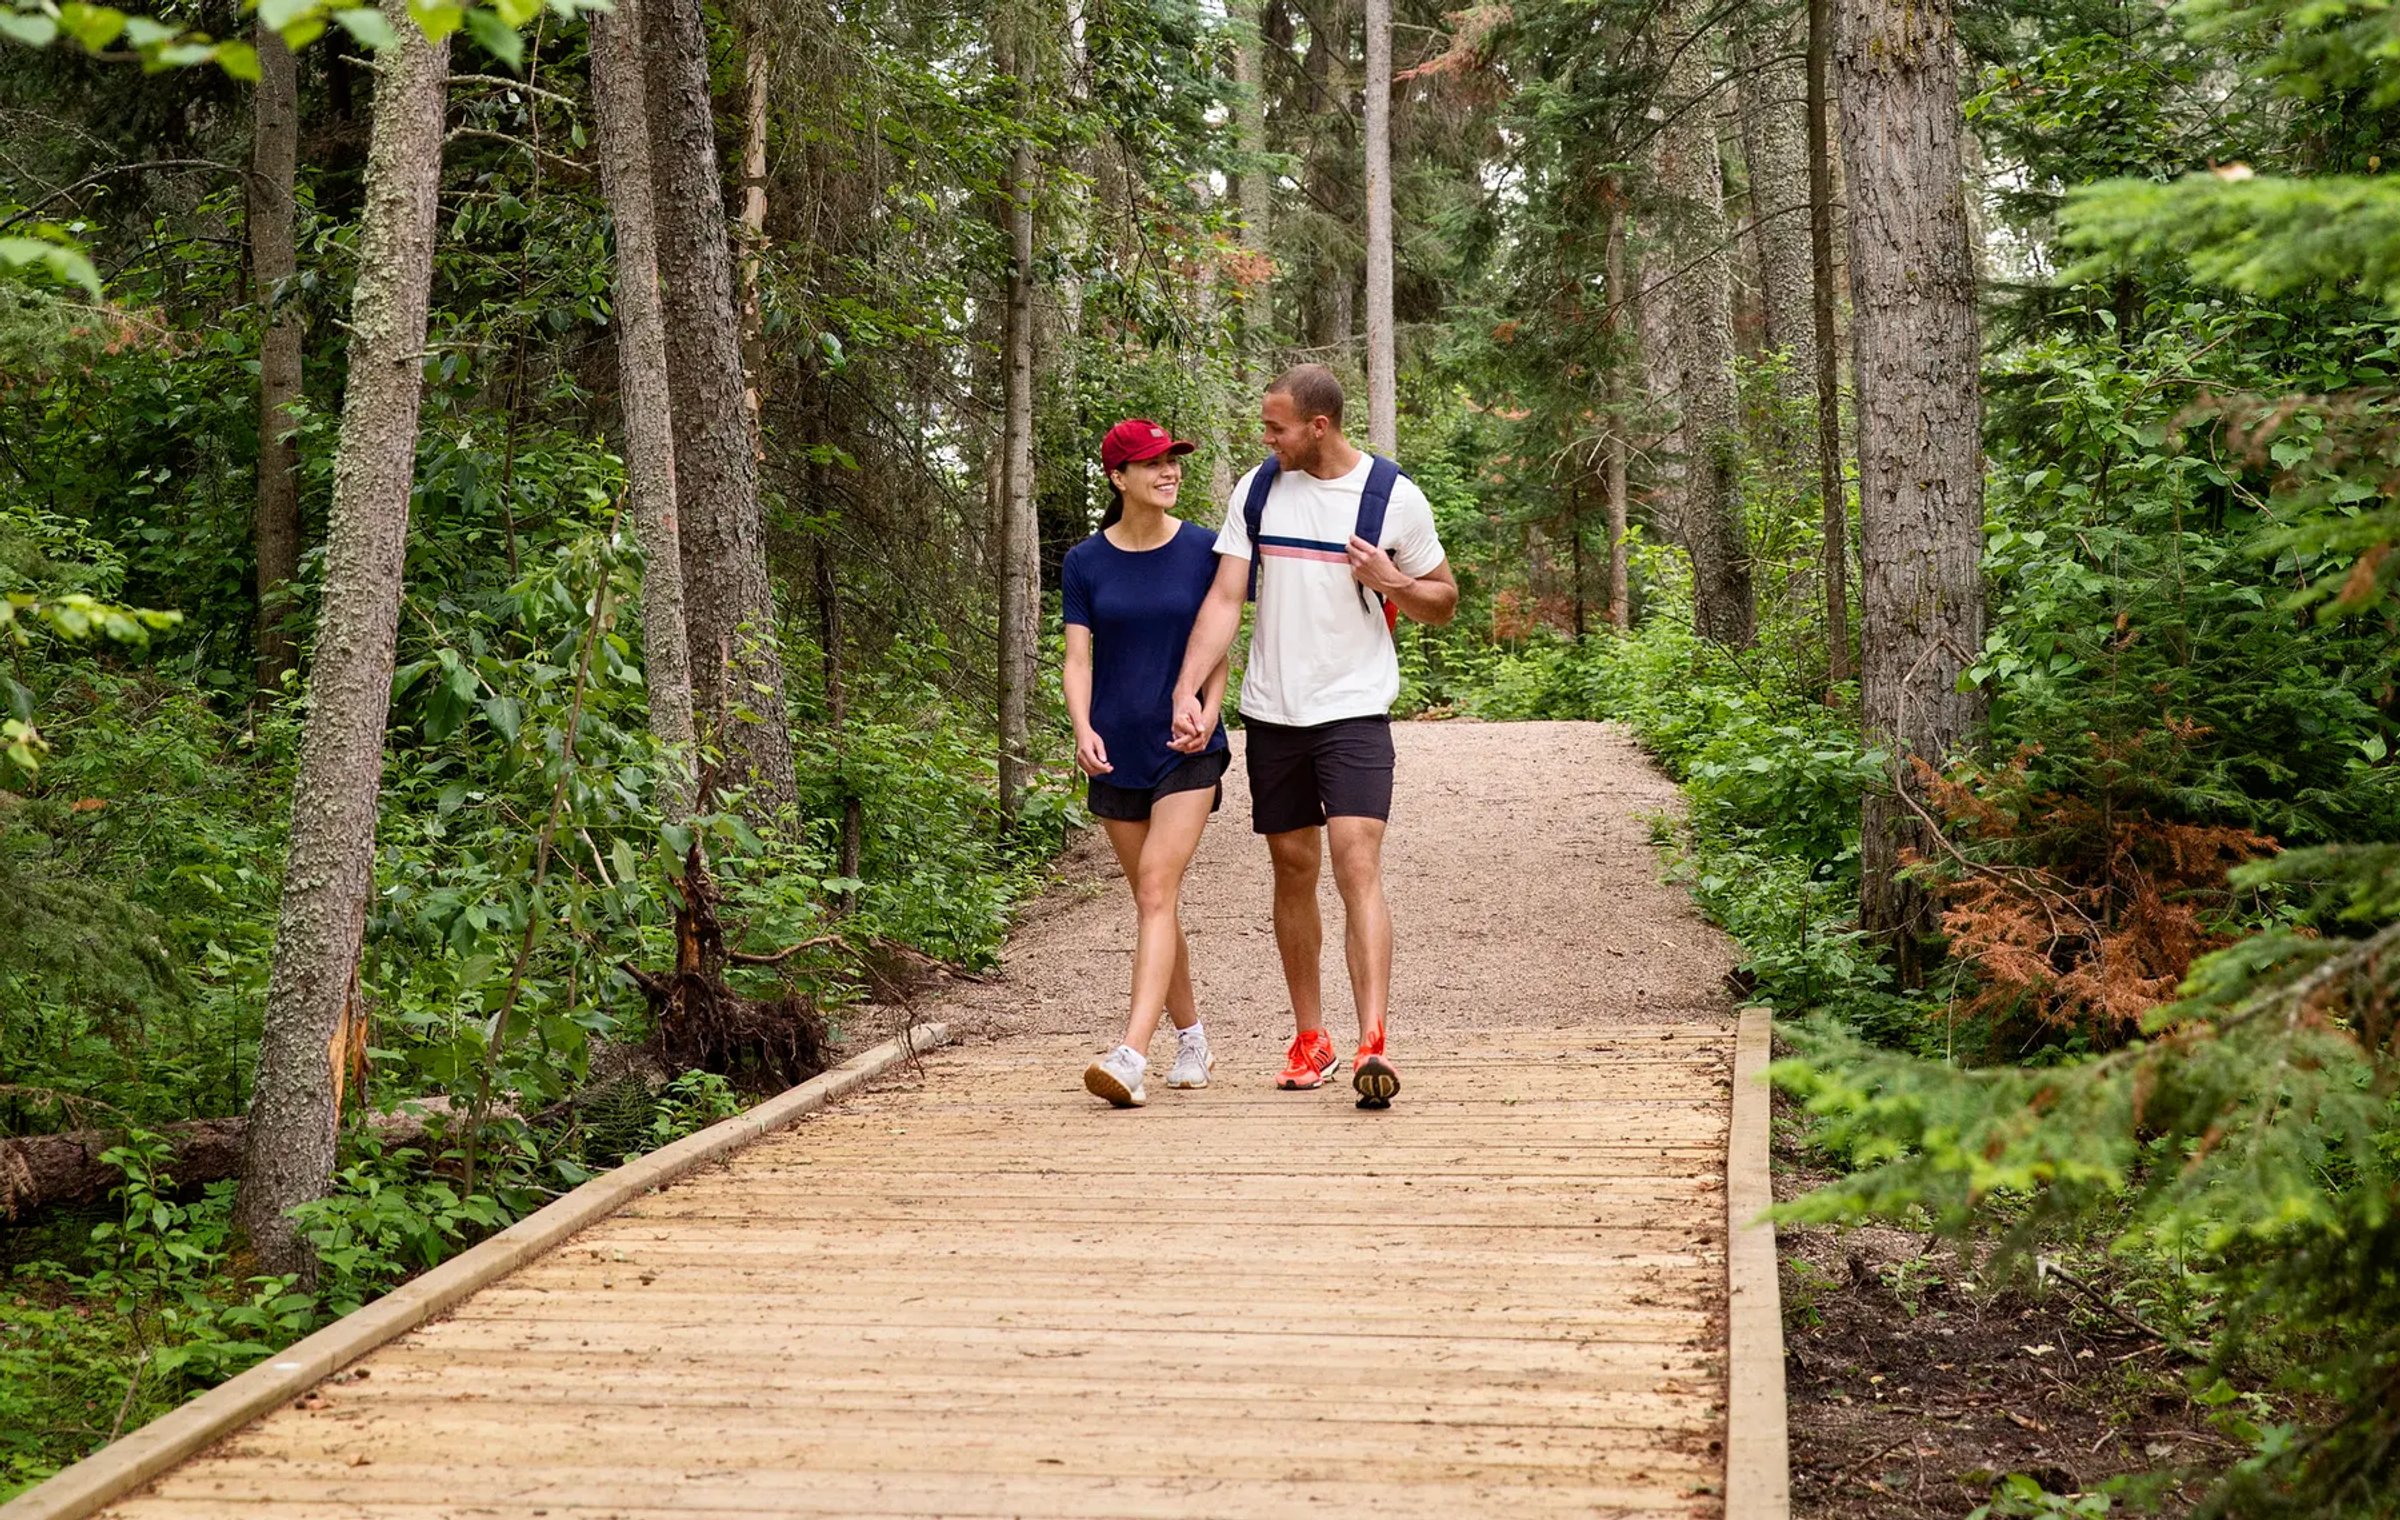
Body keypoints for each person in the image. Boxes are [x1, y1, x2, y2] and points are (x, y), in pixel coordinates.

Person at [1169, 364, 1457, 1109]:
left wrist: (1392, 580)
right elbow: (1227, 595)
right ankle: (1311, 1037)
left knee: (1356, 860)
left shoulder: (1391, 496)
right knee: (1293, 870)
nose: (1267, 438)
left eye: (1277, 427)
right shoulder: (1258, 490)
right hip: (1273, 712)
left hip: (1355, 707)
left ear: (1318, 426)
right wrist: (1191, 690)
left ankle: (1373, 1042)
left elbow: (1444, 603)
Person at [1064, 419, 1233, 1109]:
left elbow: (1219, 640)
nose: (1170, 473)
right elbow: (1078, 658)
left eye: (1174, 463)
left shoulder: (1202, 548)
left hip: (1187, 750)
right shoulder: (1085, 561)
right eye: (1153, 464)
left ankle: (1130, 1054)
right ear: (1117, 477)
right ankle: (1192, 1036)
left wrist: (1212, 713)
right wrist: (1081, 728)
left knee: (1158, 890)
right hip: (1115, 750)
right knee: (1152, 903)